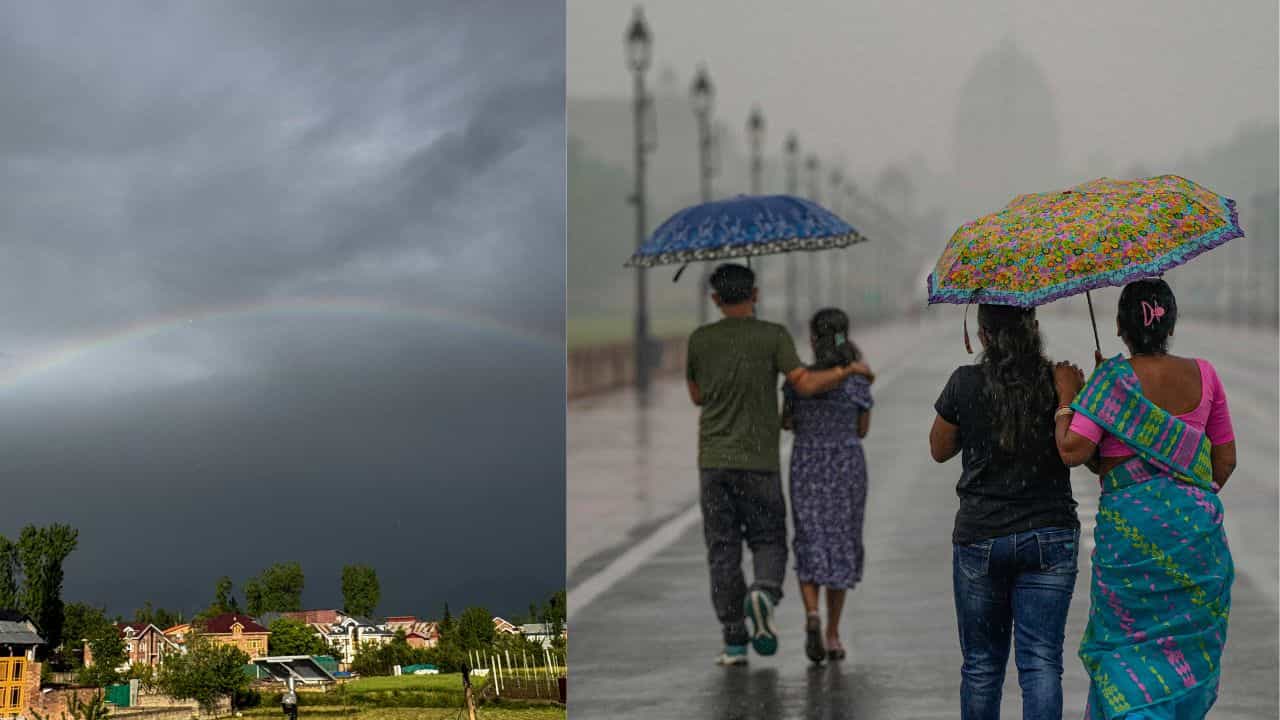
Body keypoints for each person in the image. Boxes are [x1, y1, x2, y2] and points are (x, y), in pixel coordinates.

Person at [1054, 278, 1234, 720]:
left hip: (1132, 541)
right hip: (1196, 541)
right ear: (1171, 322)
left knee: (1127, 650)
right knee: (1185, 651)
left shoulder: (1110, 381)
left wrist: (1070, 397)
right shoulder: (1206, 374)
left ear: (1119, 326)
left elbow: (1071, 450)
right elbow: (1223, 463)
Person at [686, 263, 874, 666]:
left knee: (722, 548)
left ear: (715, 299)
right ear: (754, 294)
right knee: (768, 539)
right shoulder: (772, 336)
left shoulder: (700, 339)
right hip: (760, 462)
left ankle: (735, 641)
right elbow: (806, 382)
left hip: (715, 461)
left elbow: (697, 395)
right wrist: (849, 369)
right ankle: (766, 592)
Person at [929, 304, 1080, 720]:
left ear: (983, 336)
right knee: (1041, 662)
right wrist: (1075, 396)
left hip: (982, 536)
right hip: (1049, 536)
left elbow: (939, 449)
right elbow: (1087, 451)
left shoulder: (965, 381)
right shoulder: (1058, 382)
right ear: (1033, 330)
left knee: (982, 666)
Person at [781, 308, 873, 664]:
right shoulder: (858, 381)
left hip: (807, 464)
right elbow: (862, 430)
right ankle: (833, 633)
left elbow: (786, 423)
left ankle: (811, 614)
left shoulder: (798, 381)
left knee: (809, 538)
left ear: (812, 339)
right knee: (841, 541)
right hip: (846, 466)